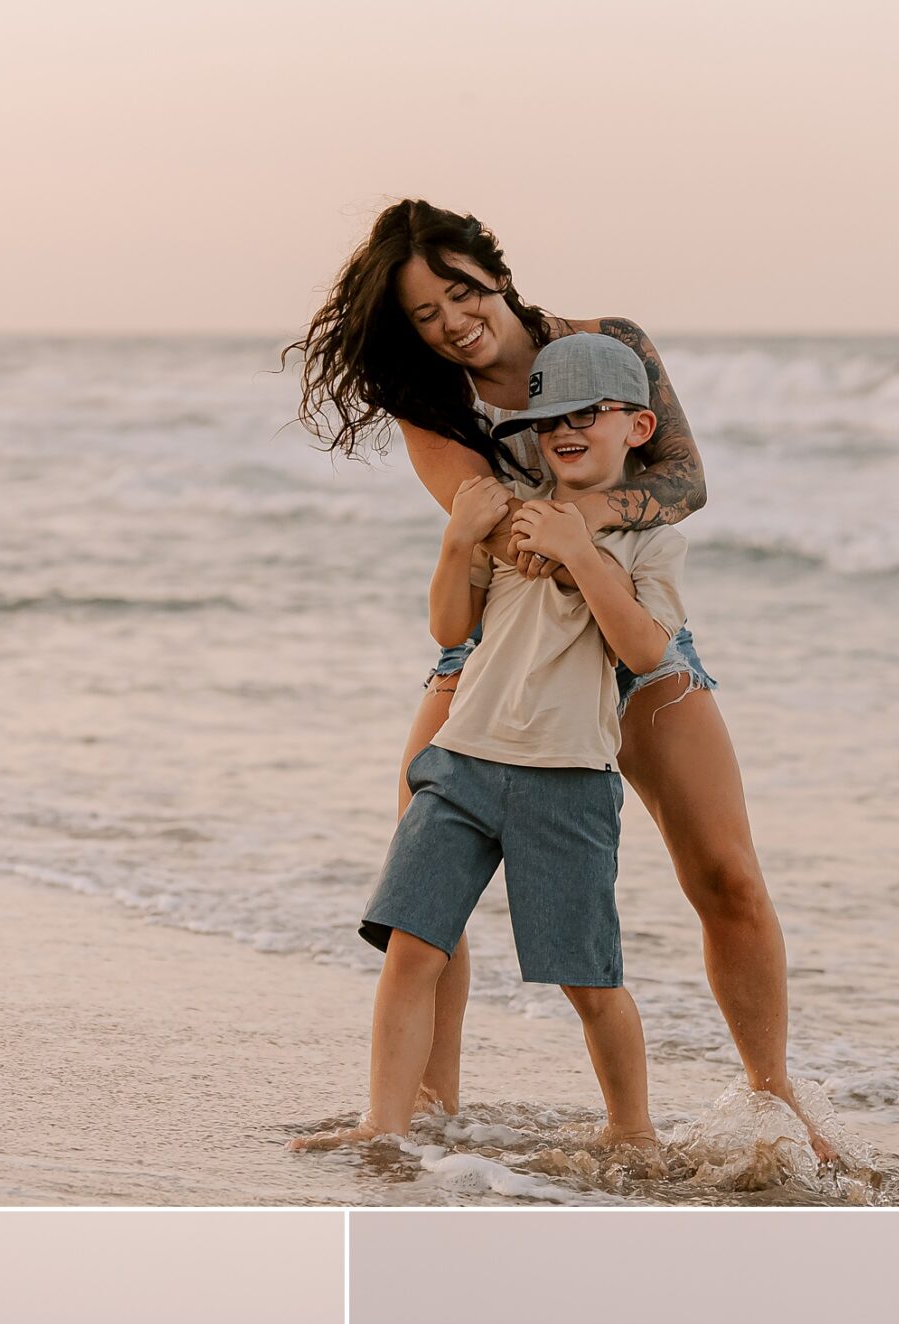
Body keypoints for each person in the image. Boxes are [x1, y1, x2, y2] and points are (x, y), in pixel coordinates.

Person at [288, 198, 830, 1159]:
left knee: (724, 873)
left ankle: (772, 1099)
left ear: (492, 269)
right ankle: (424, 1111)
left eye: (458, 289)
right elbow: (495, 537)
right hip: (498, 640)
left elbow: (686, 481)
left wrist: (578, 535)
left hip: (633, 625)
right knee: (429, 852)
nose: (452, 319)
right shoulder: (434, 408)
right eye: (424, 313)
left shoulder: (607, 345)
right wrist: (558, 533)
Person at [298, 334, 688, 1164]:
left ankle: (632, 1130)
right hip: (462, 761)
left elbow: (646, 653)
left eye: (590, 413)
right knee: (412, 947)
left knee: (588, 979)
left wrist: (583, 553)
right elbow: (450, 629)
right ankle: (386, 1124)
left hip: (568, 779)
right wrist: (455, 542)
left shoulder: (650, 540)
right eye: (549, 419)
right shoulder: (510, 513)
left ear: (639, 425)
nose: (567, 430)